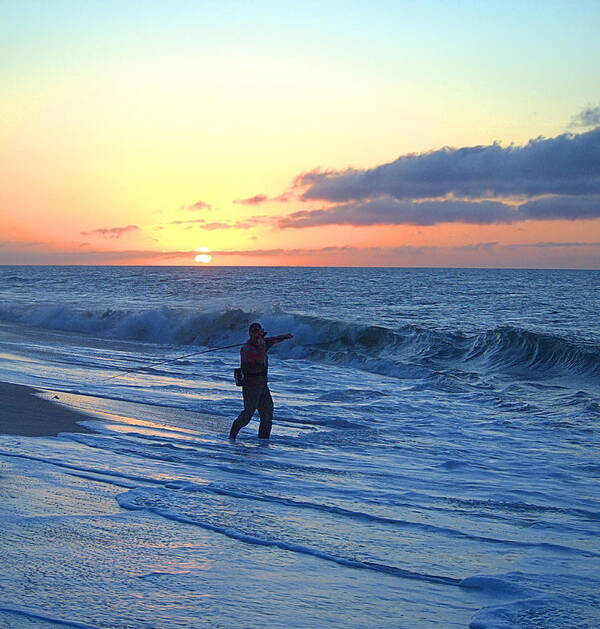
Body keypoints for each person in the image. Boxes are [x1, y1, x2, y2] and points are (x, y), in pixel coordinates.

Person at [229, 322, 293, 440]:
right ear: (250, 334)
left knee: (268, 413)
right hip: (251, 386)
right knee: (248, 415)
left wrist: (285, 336)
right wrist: (262, 347)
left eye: (258, 333)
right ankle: (231, 437)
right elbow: (260, 360)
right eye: (253, 333)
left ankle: (263, 443)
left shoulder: (263, 342)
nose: (256, 336)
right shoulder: (247, 349)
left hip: (263, 385)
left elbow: (275, 339)